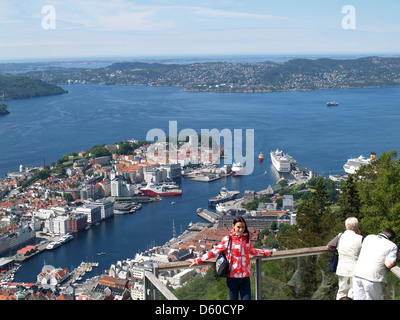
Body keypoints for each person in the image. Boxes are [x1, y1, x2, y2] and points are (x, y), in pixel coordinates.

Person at [188, 216, 273, 300]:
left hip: (245, 277)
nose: (241, 229)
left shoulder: (246, 239)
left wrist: (267, 252)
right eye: (238, 227)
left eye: (243, 227)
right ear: (233, 226)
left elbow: (252, 251)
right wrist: (197, 260)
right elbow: (213, 252)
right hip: (232, 277)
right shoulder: (228, 239)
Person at [352, 228, 398, 300]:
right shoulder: (392, 246)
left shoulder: (369, 237)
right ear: (392, 239)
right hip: (373, 278)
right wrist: (396, 257)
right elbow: (389, 264)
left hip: (358, 274)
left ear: (381, 232)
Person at [327, 217, 363, 300]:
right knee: (353, 291)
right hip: (355, 268)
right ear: (357, 227)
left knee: (342, 290)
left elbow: (329, 246)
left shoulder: (340, 236)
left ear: (346, 226)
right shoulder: (360, 238)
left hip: (342, 268)